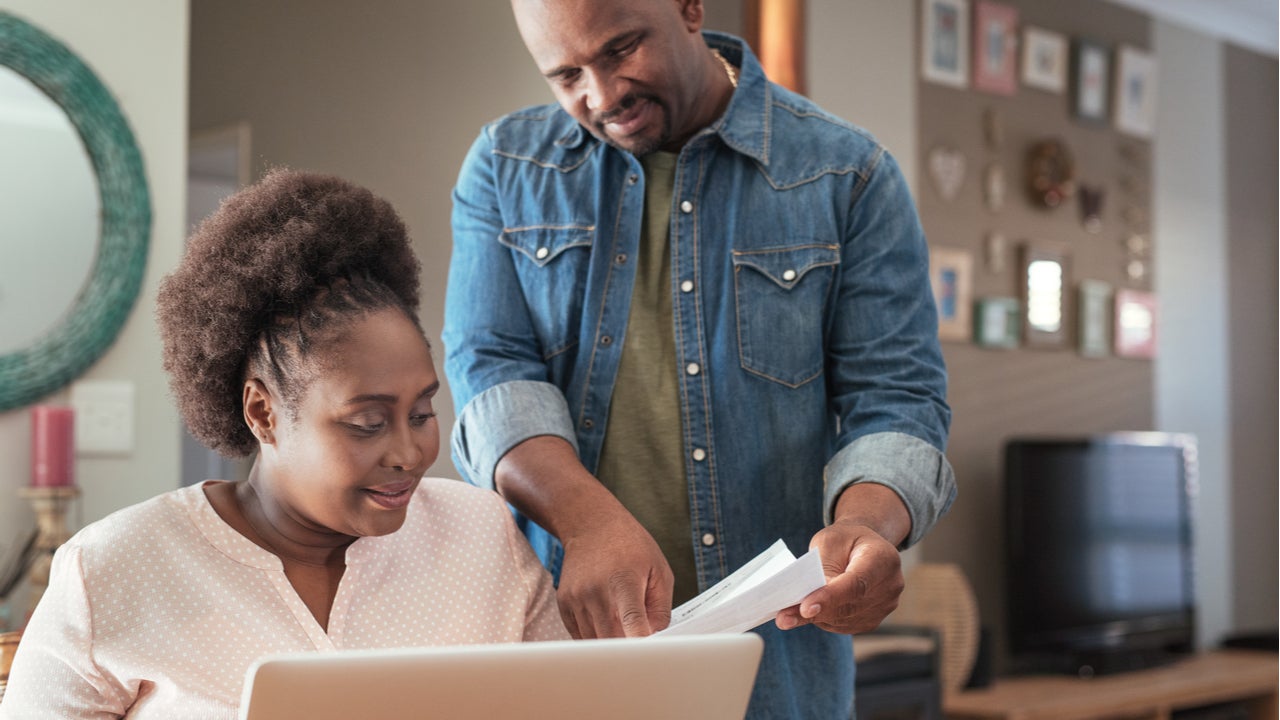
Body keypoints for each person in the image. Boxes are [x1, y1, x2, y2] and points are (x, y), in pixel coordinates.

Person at [443, 0, 957, 717]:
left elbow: (896, 396)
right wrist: (586, 521)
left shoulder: (850, 175)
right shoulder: (505, 167)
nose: (601, 95)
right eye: (566, 75)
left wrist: (867, 528)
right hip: (559, 649)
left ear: (690, 6)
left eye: (621, 49)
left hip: (776, 665)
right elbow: (490, 371)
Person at [1, 170, 568, 719]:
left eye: (421, 413)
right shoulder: (114, 568)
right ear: (262, 412)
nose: (410, 453)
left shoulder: (482, 535)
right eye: (367, 423)